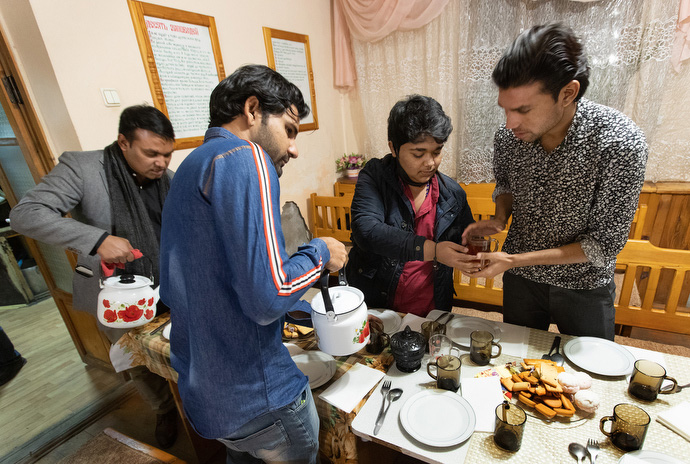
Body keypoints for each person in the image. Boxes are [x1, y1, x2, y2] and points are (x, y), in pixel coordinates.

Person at [159, 64, 347, 464]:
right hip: (259, 399)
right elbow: (268, 296)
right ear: (252, 109)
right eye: (290, 129)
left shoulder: (190, 166)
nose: (294, 148)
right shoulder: (248, 157)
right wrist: (319, 251)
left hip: (206, 395)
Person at [461, 24, 648, 340]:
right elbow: (506, 183)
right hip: (521, 280)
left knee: (592, 376)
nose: (510, 123)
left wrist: (511, 259)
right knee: (514, 365)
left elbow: (603, 246)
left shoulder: (619, 142)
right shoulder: (508, 138)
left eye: (523, 109)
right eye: (505, 109)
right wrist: (499, 217)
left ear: (568, 93)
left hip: (584, 285)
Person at [9, 105, 180, 448]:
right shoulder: (83, 168)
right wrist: (97, 240)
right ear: (123, 142)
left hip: (169, 283)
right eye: (151, 153)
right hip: (117, 293)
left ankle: (188, 403)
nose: (161, 163)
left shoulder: (167, 177)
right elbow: (24, 215)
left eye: (166, 154)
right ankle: (164, 410)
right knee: (137, 358)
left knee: (177, 347)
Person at [345, 95, 476, 317]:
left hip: (432, 307)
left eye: (437, 151)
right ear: (393, 148)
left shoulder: (452, 193)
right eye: (418, 153)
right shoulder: (375, 176)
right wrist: (434, 250)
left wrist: (475, 252)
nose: (430, 162)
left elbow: (466, 239)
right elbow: (366, 230)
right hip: (377, 305)